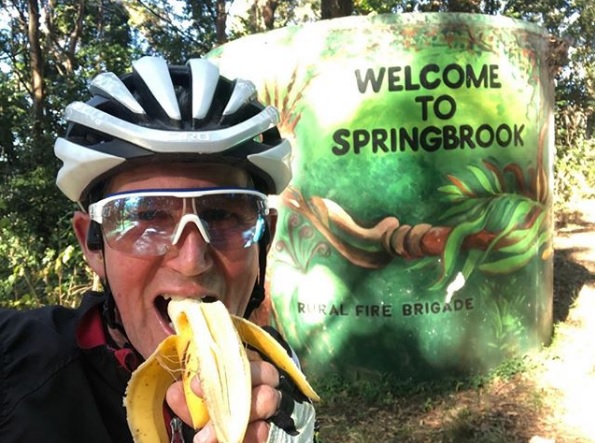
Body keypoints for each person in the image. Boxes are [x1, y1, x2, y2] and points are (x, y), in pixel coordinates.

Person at [0, 55, 317, 443]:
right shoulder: (14, 363)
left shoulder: (278, 378)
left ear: (264, 236)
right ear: (92, 243)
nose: (191, 261)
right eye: (147, 217)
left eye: (222, 214)